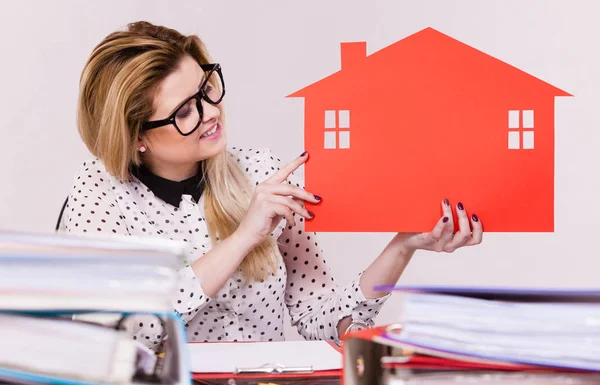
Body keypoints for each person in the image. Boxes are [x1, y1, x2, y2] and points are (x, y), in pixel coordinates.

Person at [59, 21, 483, 350]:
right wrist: (243, 238)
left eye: (206, 88)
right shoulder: (98, 196)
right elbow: (123, 335)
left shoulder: (262, 172)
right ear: (137, 138)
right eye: (185, 111)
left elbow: (320, 315)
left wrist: (403, 245)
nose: (211, 112)